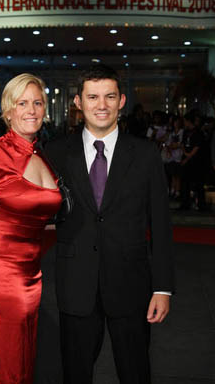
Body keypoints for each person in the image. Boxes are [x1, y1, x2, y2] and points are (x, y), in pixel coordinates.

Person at [45, 64, 174, 384]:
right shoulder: (55, 153)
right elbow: (36, 206)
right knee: (75, 374)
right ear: (78, 103)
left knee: (135, 372)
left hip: (131, 285)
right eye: (92, 97)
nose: (101, 105)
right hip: (76, 284)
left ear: (122, 101)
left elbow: (161, 224)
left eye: (109, 97)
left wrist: (162, 287)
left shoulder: (145, 155)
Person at [0, 73, 62, 384]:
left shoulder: (40, 154)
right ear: (8, 110)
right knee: (2, 369)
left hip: (33, 280)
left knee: (21, 366)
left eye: (37, 103)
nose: (31, 110)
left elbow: (31, 213)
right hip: (1, 284)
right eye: (22, 103)